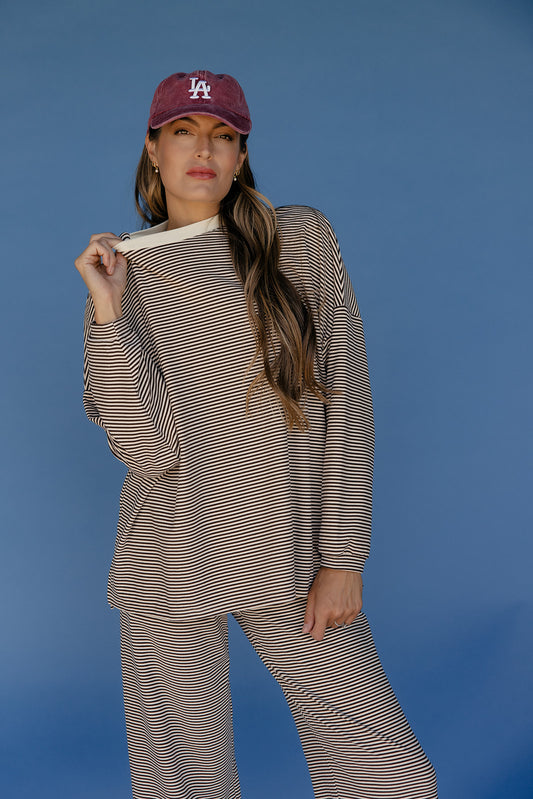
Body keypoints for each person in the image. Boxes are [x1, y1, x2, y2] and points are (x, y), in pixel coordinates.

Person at [75, 70, 438, 799]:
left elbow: (347, 403)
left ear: (241, 155)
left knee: (385, 775)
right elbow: (147, 449)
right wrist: (109, 312)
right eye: (182, 132)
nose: (202, 150)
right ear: (152, 149)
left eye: (222, 135)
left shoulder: (300, 239)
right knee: (185, 784)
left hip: (291, 549)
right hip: (167, 557)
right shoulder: (122, 269)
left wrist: (343, 559)